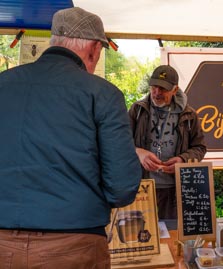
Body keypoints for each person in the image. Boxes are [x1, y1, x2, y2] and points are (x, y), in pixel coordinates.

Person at [0, 7, 142, 268]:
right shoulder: (103, 94)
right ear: (93, 49)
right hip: (74, 247)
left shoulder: (3, 84)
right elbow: (122, 187)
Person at [128, 65, 206, 220]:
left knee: (171, 233)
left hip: (174, 189)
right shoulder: (137, 110)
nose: (156, 93)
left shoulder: (190, 115)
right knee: (143, 235)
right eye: (154, 87)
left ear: (175, 90)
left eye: (162, 89)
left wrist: (183, 160)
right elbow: (120, 141)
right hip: (142, 187)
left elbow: (200, 147)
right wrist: (138, 152)